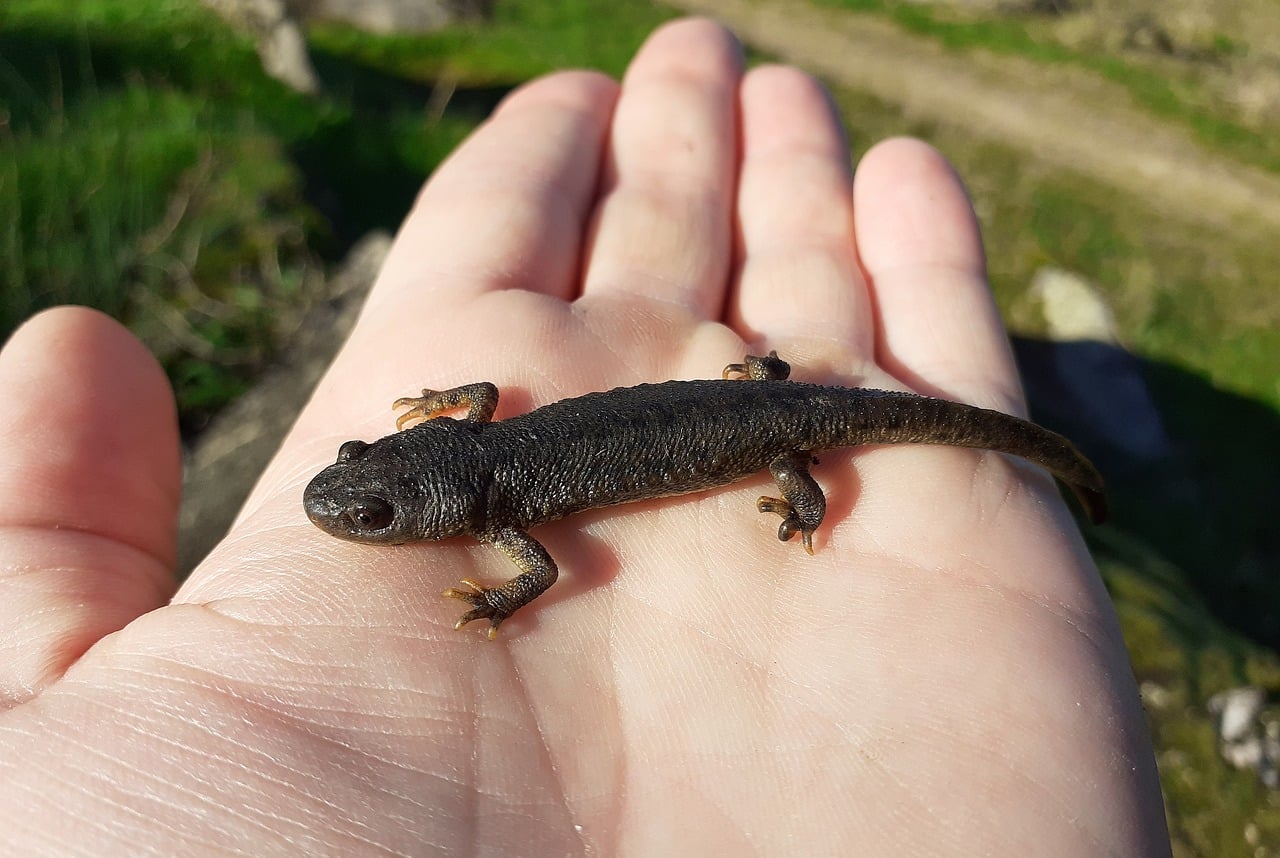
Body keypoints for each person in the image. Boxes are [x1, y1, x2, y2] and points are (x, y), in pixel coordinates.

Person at [0, 17, 1169, 855]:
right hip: (750, 402)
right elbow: (481, 405)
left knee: (792, 440)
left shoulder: (505, 517)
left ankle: (837, 484)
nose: (353, 507)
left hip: (777, 428)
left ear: (452, 503)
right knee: (758, 405)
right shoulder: (483, 461)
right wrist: (446, 411)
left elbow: (550, 562)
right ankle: (807, 424)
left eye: (369, 504)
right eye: (368, 493)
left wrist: (505, 604)